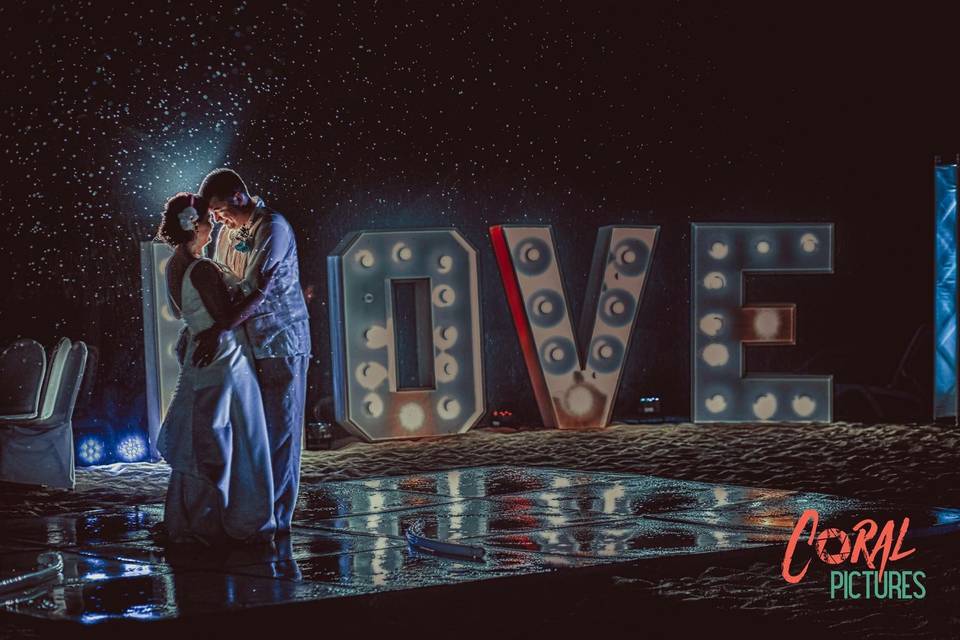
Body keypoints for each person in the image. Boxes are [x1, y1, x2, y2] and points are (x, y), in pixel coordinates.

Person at [155, 192, 276, 545]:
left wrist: (198, 332)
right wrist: (260, 292)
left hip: (207, 351)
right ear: (195, 225)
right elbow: (224, 317)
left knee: (206, 435)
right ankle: (220, 519)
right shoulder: (203, 268)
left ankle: (195, 515)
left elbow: (190, 313)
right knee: (224, 437)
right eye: (208, 218)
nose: (214, 224)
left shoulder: (177, 264)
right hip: (223, 359)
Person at [194, 169, 311, 533]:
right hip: (245, 343)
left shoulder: (273, 228)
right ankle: (255, 509)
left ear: (239, 197)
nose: (216, 218)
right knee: (255, 434)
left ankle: (278, 517)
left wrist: (220, 327)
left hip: (281, 340)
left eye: (218, 209)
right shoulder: (229, 232)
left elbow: (255, 286)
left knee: (281, 432)